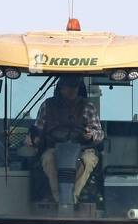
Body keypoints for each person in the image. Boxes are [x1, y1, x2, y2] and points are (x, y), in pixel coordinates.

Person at [26, 74, 104, 204]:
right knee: (47, 159)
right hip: (54, 148)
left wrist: (91, 135)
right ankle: (59, 200)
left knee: (88, 160)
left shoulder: (88, 107)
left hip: (83, 149)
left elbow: (100, 133)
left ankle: (72, 198)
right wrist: (32, 139)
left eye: (75, 87)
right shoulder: (47, 106)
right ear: (60, 88)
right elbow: (38, 130)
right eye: (68, 87)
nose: (71, 90)